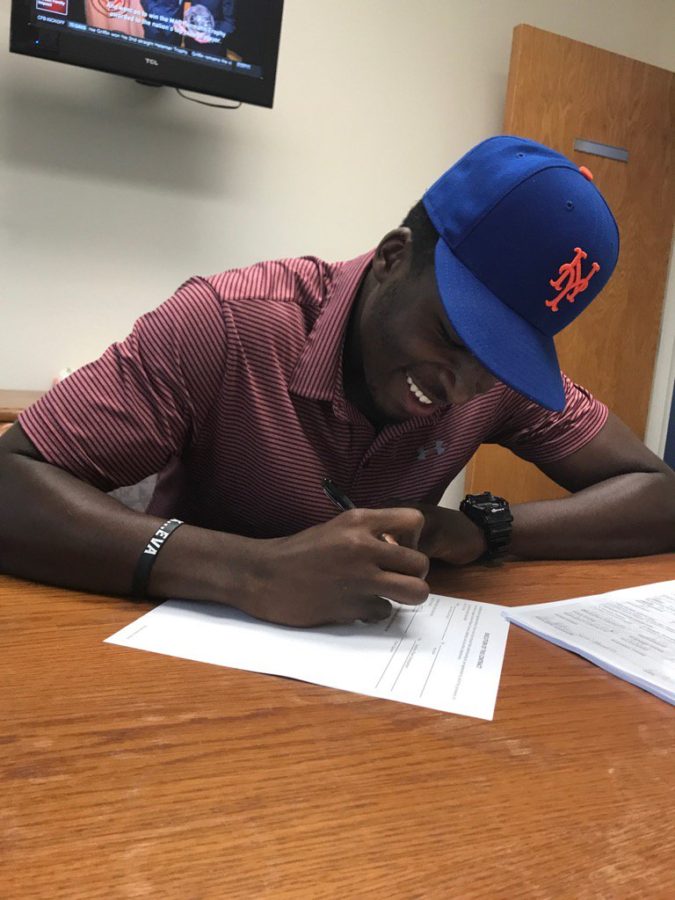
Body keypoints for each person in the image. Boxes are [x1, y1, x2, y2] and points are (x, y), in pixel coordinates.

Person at [1, 136, 673, 627]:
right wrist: (252, 572)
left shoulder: (498, 381)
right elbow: (12, 482)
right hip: (174, 658)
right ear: (392, 257)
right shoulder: (230, 323)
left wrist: (482, 529)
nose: (464, 387)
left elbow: (657, 496)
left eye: (499, 358)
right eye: (452, 335)